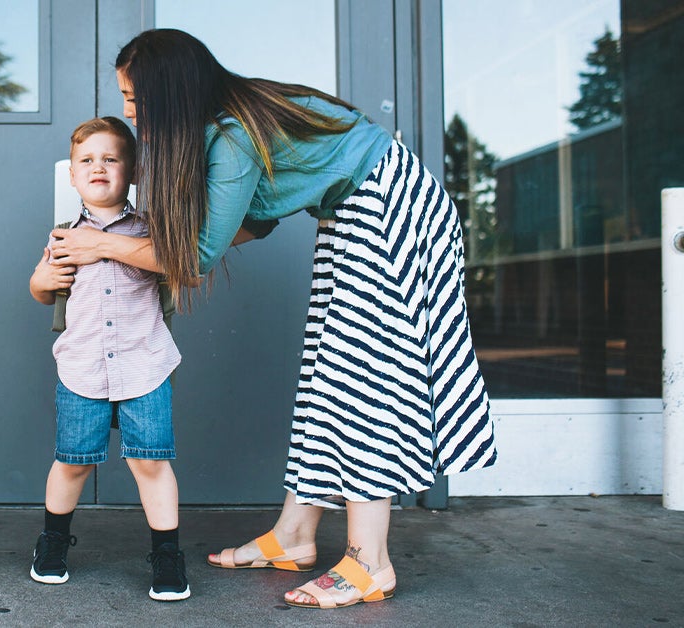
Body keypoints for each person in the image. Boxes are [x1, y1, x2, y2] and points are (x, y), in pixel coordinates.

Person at [47, 29, 498, 610]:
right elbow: (248, 225)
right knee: (324, 372)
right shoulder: (226, 128)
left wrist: (104, 247)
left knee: (363, 378)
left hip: (391, 208)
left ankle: (370, 563)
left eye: (133, 97)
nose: (129, 111)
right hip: (351, 211)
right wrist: (150, 246)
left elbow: (195, 259)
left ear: (169, 91)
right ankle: (294, 535)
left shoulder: (231, 134)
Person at [27, 116, 190, 602]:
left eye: (111, 158)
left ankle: (166, 555)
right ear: (73, 176)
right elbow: (38, 287)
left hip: (145, 366)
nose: (98, 167)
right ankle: (53, 542)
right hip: (82, 368)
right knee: (73, 462)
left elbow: (177, 263)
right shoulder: (62, 235)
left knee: (151, 463)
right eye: (87, 160)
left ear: (133, 170)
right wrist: (44, 283)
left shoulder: (151, 232)